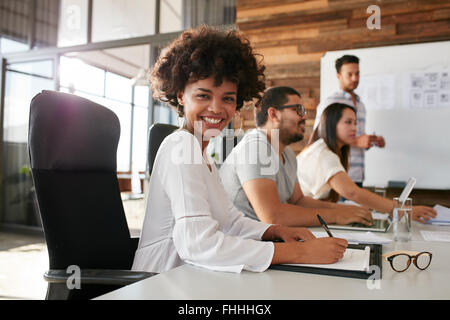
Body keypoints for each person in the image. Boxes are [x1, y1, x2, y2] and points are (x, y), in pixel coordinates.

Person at [131, 26, 348, 274]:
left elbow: (229, 220)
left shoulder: (202, 152)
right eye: (203, 95)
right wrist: (300, 252)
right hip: (161, 282)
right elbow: (197, 243)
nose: (216, 108)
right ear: (181, 96)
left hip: (192, 277)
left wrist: (273, 231)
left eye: (227, 98)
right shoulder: (182, 145)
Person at [219, 86, 373, 227]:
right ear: (274, 114)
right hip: (242, 244)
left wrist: (344, 210)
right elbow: (273, 217)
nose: (304, 117)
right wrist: (336, 215)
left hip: (265, 240)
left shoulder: (287, 154)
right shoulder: (255, 147)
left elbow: (298, 201)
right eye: (298, 110)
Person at [297, 102, 437, 223]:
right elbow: (352, 192)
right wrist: (401, 210)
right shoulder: (324, 154)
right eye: (348, 122)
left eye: (355, 123)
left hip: (307, 215)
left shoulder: (323, 149)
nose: (354, 128)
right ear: (332, 124)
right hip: (300, 218)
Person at [314, 55, 385, 188]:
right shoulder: (331, 102)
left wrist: (370, 141)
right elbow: (319, 136)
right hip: (336, 173)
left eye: (357, 73)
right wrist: (357, 141)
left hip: (358, 174)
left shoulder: (361, 105)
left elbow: (353, 137)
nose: (355, 78)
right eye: (350, 74)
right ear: (338, 76)